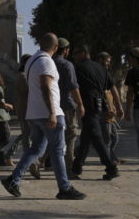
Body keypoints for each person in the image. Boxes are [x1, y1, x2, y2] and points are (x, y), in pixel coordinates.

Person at [1, 33, 86, 200]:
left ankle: (13, 179)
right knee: (57, 150)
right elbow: (46, 86)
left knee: (37, 149)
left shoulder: (31, 61)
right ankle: (64, 188)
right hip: (48, 113)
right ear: (55, 47)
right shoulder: (46, 61)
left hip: (34, 113)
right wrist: (52, 113)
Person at [70, 45, 120, 180]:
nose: (73, 57)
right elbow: (112, 87)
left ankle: (111, 167)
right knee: (86, 137)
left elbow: (74, 88)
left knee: (96, 136)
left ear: (83, 53)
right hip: (99, 106)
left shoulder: (78, 68)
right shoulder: (101, 68)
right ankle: (76, 168)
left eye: (75, 53)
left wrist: (79, 104)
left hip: (87, 106)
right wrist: (118, 106)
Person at [52, 38, 85, 175]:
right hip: (67, 105)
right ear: (66, 50)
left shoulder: (49, 63)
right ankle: (69, 167)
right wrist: (80, 104)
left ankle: (38, 161)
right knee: (70, 135)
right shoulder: (67, 65)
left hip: (52, 105)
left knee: (53, 137)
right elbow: (73, 87)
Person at [97, 52, 124, 163]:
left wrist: (117, 107)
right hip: (104, 111)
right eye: (106, 62)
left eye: (109, 62)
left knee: (114, 138)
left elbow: (113, 90)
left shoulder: (106, 73)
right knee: (107, 139)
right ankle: (107, 161)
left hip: (110, 112)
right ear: (100, 60)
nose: (108, 64)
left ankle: (111, 156)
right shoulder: (97, 73)